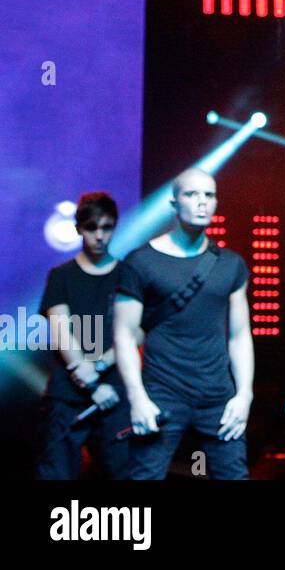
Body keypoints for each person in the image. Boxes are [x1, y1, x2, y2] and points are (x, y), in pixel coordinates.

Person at [114, 168, 254, 479]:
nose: (202, 202)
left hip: (218, 395)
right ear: (174, 203)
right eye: (192, 194)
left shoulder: (231, 264)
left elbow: (240, 335)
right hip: (162, 393)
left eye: (209, 195)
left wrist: (244, 394)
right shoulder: (141, 262)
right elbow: (123, 335)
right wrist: (137, 398)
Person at [35, 192, 130, 479]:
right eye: (91, 228)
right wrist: (89, 380)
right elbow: (61, 332)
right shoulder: (61, 276)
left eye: (106, 227)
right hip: (68, 395)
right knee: (57, 474)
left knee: (124, 474)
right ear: (78, 228)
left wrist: (100, 367)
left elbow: (134, 330)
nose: (99, 236)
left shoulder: (128, 275)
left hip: (114, 394)